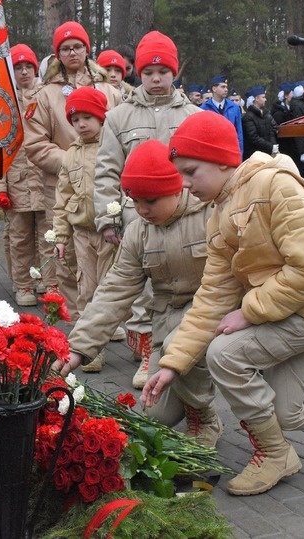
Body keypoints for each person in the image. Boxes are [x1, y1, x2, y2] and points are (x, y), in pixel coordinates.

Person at [142, 111, 304, 496]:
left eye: (190, 171)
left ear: (222, 160)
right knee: (289, 411)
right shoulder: (220, 213)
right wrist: (173, 364)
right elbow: (213, 297)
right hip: (290, 305)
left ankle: (274, 454)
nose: (184, 184)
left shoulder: (275, 186)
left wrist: (249, 312)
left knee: (226, 354)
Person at [55, 142, 222, 445]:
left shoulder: (211, 215)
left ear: (176, 189)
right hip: (167, 324)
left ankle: (204, 420)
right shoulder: (138, 231)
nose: (141, 209)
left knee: (179, 348)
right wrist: (78, 347)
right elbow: (114, 291)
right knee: (156, 415)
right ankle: (191, 395)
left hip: (213, 317)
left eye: (150, 200)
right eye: (133, 199)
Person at [92, 30, 201, 384]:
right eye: (149, 72)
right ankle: (145, 356)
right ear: (139, 73)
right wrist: (108, 218)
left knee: (171, 289)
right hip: (134, 216)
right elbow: (107, 170)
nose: (156, 79)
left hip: (184, 217)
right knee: (139, 291)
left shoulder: (192, 115)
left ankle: (174, 351)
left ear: (174, 73)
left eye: (163, 72)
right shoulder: (119, 116)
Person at [23, 21, 121, 320]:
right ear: (57, 54)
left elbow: (122, 133)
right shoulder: (45, 95)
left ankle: (110, 317)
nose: (72, 52)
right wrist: (71, 161)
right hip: (64, 185)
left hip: (107, 185)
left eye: (77, 46)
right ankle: (80, 317)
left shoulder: (110, 90)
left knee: (111, 254)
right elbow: (35, 144)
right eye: (65, 48)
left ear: (87, 49)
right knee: (66, 254)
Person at [53, 86, 115, 371]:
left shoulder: (113, 146)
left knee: (110, 289)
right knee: (86, 289)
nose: (81, 124)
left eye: (87, 117)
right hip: (82, 233)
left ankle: (119, 331)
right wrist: (61, 236)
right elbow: (62, 199)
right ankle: (91, 349)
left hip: (111, 232)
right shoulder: (71, 155)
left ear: (102, 117)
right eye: (75, 119)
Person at [0, 44, 51, 307]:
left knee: (49, 236)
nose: (24, 72)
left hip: (45, 179)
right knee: (20, 238)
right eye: (18, 67)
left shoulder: (47, 95)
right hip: (17, 182)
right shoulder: (2, 100)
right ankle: (23, 284)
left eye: (28, 67)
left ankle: (49, 281)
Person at [201, 74, 244, 155]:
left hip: (230, 150)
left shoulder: (234, 107)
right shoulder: (204, 108)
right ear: (214, 89)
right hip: (212, 152)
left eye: (226, 87)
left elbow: (239, 134)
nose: (226, 89)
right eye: (223, 87)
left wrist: (239, 154)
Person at [241, 85, 277, 159]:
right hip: (255, 155)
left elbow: (272, 131)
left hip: (268, 153)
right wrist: (270, 147)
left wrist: (274, 146)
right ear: (256, 98)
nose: (266, 99)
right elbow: (253, 138)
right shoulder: (248, 117)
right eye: (263, 97)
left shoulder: (267, 114)